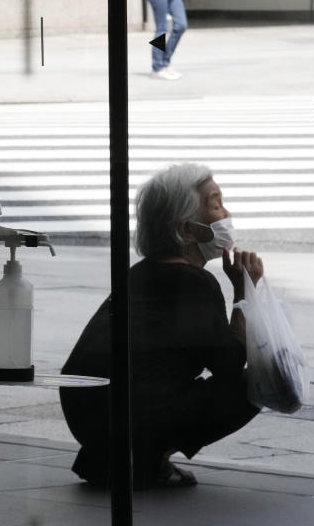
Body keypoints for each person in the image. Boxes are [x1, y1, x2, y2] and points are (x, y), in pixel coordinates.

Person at [59, 163, 262, 490]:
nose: (226, 213)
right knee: (261, 381)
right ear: (185, 230)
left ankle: (112, 458)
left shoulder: (139, 273)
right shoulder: (193, 281)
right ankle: (149, 460)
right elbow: (230, 365)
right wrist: (244, 290)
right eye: (215, 204)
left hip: (86, 415)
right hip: (126, 418)